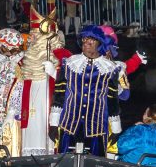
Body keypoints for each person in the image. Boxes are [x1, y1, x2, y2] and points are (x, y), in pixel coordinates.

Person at [49, 25, 127, 156]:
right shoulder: (69, 64)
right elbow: (59, 94)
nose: (86, 43)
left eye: (91, 39)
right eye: (84, 39)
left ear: (99, 43)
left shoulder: (110, 68)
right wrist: (53, 124)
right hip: (69, 124)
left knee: (96, 166)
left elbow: (112, 99)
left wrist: (115, 129)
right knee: (64, 163)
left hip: (96, 127)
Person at [4, 7, 69, 156]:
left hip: (50, 112)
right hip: (29, 113)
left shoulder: (63, 60)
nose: (30, 39)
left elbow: (71, 87)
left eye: (34, 35)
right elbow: (18, 87)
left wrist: (54, 73)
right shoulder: (24, 62)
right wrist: (12, 111)